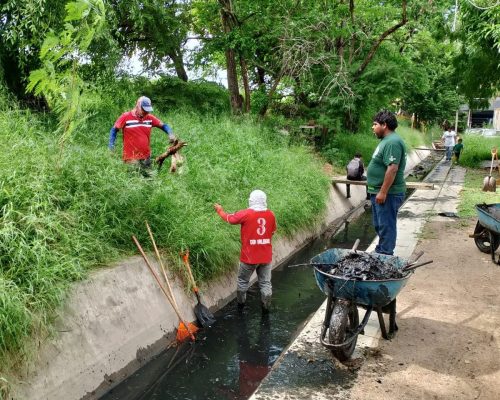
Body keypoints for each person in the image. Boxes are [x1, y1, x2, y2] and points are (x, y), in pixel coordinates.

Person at [214, 190, 277, 312]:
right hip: (266, 257)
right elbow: (272, 231)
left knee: (243, 282)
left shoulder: (246, 214)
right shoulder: (271, 215)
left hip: (249, 257)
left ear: (251, 200)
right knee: (265, 283)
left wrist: (219, 210)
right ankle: (266, 308)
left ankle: (241, 307)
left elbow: (229, 219)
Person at [367, 110, 407, 256]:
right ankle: (381, 251)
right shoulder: (386, 141)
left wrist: (383, 191)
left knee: (386, 226)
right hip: (379, 192)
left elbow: (392, 168)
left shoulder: (392, 142)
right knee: (380, 225)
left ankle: (385, 255)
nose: (373, 127)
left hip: (388, 193)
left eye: (375, 124)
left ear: (384, 125)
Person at [109, 96, 176, 176]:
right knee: (134, 182)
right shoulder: (126, 116)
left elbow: (164, 126)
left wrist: (171, 134)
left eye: (147, 110)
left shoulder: (149, 118)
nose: (146, 112)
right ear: (137, 106)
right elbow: (114, 130)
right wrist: (111, 146)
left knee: (151, 180)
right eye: (144, 110)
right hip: (131, 158)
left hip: (146, 157)